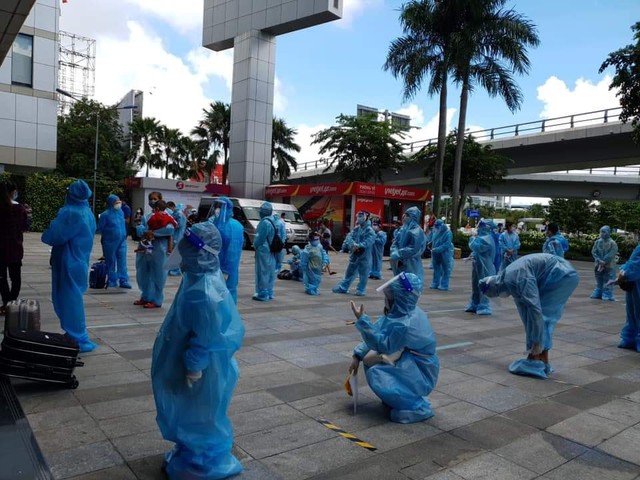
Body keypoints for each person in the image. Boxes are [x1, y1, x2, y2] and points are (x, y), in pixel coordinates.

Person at [151, 221, 245, 480]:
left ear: (200, 251)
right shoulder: (199, 277)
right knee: (193, 412)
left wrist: (194, 366)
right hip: (204, 363)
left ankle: (203, 464)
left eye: (188, 244)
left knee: (200, 415)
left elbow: (206, 333)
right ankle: (191, 453)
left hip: (204, 368)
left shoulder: (203, 290)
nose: (182, 248)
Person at [348, 272, 439, 423]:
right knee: (372, 362)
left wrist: (362, 322)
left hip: (421, 368)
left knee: (377, 372)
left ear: (400, 299)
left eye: (390, 297)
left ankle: (415, 406)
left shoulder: (406, 324)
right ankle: (399, 398)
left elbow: (382, 344)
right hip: (409, 358)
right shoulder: (402, 313)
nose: (386, 300)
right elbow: (380, 329)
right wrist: (357, 355)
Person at [479, 253, 579, 379]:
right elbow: (525, 312)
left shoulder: (515, 278)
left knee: (544, 316)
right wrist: (532, 339)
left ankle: (535, 359)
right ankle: (543, 360)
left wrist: (536, 341)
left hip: (560, 274)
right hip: (560, 273)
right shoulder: (509, 279)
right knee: (542, 317)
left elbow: (534, 309)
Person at [41, 180, 97, 352]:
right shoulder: (88, 212)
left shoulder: (71, 213)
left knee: (69, 300)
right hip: (79, 260)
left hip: (68, 260)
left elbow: (53, 236)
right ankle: (75, 334)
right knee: (73, 297)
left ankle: (77, 337)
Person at [135, 192, 175, 309]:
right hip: (145, 247)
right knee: (143, 272)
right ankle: (146, 296)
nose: (152, 201)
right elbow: (140, 228)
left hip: (159, 248)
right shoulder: (147, 215)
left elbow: (170, 230)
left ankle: (156, 299)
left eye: (155, 199)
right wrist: (143, 231)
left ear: (160, 200)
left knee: (158, 274)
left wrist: (153, 233)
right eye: (150, 199)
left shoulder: (167, 215)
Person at [208, 197, 243, 303]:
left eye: (219, 207)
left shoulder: (217, 225)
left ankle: (220, 315)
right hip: (233, 264)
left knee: (218, 292)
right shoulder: (238, 225)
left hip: (220, 263)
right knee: (231, 289)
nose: (217, 210)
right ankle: (231, 314)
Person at [0, 181, 28, 315]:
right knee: (15, 278)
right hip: (15, 248)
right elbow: (24, 226)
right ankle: (11, 302)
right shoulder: (19, 209)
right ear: (12, 192)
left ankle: (6, 303)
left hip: (1, 250)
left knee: (2, 278)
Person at [333, 210, 375, 296]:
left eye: (361, 216)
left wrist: (360, 245)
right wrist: (352, 244)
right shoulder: (357, 229)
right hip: (355, 255)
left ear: (366, 217)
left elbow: (369, 240)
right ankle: (343, 287)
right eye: (358, 216)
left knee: (364, 274)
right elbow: (349, 236)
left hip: (364, 256)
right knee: (350, 271)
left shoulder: (369, 230)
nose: (359, 218)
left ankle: (361, 290)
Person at [97, 194, 131, 289]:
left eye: (119, 202)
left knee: (122, 260)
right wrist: (109, 234)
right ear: (111, 203)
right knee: (110, 260)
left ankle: (123, 280)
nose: (119, 204)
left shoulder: (120, 212)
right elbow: (100, 228)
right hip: (110, 242)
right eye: (116, 202)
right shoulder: (105, 215)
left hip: (122, 241)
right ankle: (112, 280)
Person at [465, 220, 497, 315]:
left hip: (485, 266)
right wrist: (472, 255)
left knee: (484, 284)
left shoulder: (487, 239)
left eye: (481, 226)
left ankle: (484, 305)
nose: (478, 228)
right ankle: (475, 303)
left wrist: (471, 239)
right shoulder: (482, 237)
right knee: (475, 284)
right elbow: (476, 251)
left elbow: (477, 247)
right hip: (477, 264)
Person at [390, 207, 427, 284]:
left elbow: (414, 248)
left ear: (413, 217)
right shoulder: (403, 229)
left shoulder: (417, 231)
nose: (404, 216)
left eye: (407, 215)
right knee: (401, 283)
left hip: (411, 262)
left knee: (411, 284)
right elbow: (395, 242)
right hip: (400, 261)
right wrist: (394, 251)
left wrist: (399, 253)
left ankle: (409, 296)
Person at [615, 243, 640, 352]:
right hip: (634, 282)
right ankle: (629, 337)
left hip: (635, 279)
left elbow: (637, 263)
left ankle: (631, 338)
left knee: (636, 310)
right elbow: (634, 259)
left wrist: (626, 272)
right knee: (632, 310)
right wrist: (625, 270)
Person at [253, 202, 278, 301]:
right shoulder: (274, 221)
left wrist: (255, 245)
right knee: (270, 271)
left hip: (263, 250)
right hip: (271, 249)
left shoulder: (264, 222)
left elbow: (260, 238)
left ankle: (262, 293)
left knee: (262, 271)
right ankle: (269, 291)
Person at [591, 225, 618, 301]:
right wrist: (598, 259)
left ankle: (607, 294)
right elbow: (594, 251)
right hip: (598, 264)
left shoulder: (612, 243)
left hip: (609, 265)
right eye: (601, 231)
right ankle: (598, 291)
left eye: (604, 232)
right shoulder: (597, 242)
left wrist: (604, 261)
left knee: (608, 279)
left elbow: (612, 253)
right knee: (598, 278)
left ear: (608, 232)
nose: (602, 233)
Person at [430, 219, 454, 291]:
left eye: (437, 226)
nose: (436, 228)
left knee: (445, 269)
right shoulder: (436, 232)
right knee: (436, 269)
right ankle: (435, 283)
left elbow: (446, 244)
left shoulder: (448, 233)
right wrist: (431, 244)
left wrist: (437, 249)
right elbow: (434, 241)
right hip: (436, 253)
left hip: (445, 253)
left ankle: (444, 284)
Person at [166, 201, 188, 277]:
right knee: (174, 254)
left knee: (176, 254)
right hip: (176, 236)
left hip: (178, 236)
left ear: (172, 206)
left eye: (168, 208)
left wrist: (170, 223)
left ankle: (176, 270)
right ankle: (173, 269)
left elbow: (179, 225)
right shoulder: (176, 213)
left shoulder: (179, 214)